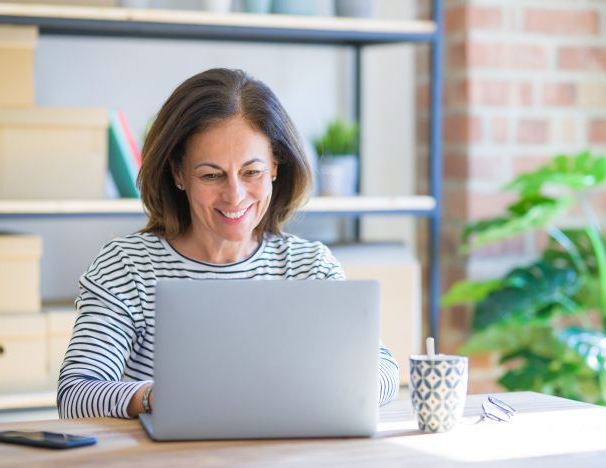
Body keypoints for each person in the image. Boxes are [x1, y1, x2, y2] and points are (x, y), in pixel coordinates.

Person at [57, 68, 400, 419]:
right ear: (178, 173)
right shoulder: (128, 266)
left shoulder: (308, 267)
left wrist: (339, 387)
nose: (234, 196)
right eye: (211, 175)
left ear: (276, 167)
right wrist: (157, 398)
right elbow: (76, 394)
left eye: (252, 172)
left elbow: (386, 371)